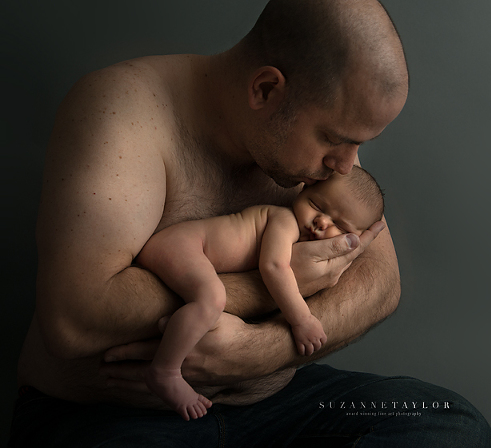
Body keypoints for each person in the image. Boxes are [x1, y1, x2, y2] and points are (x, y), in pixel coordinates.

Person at [11, 0, 491, 446]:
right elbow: (74, 318)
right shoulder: (123, 111)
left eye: (358, 144)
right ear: (265, 90)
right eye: (336, 139)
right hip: (113, 416)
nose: (346, 165)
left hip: (273, 407)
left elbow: (382, 283)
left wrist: (258, 354)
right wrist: (273, 285)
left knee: (452, 427)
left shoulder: (324, 149)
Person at [136, 167, 384, 420]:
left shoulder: (300, 238)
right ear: (303, 190)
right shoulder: (284, 220)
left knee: (206, 305)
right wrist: (302, 319)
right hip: (182, 246)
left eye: (339, 226)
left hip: (184, 248)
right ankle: (165, 371)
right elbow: (274, 267)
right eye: (316, 205)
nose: (322, 221)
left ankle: (176, 332)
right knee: (212, 299)